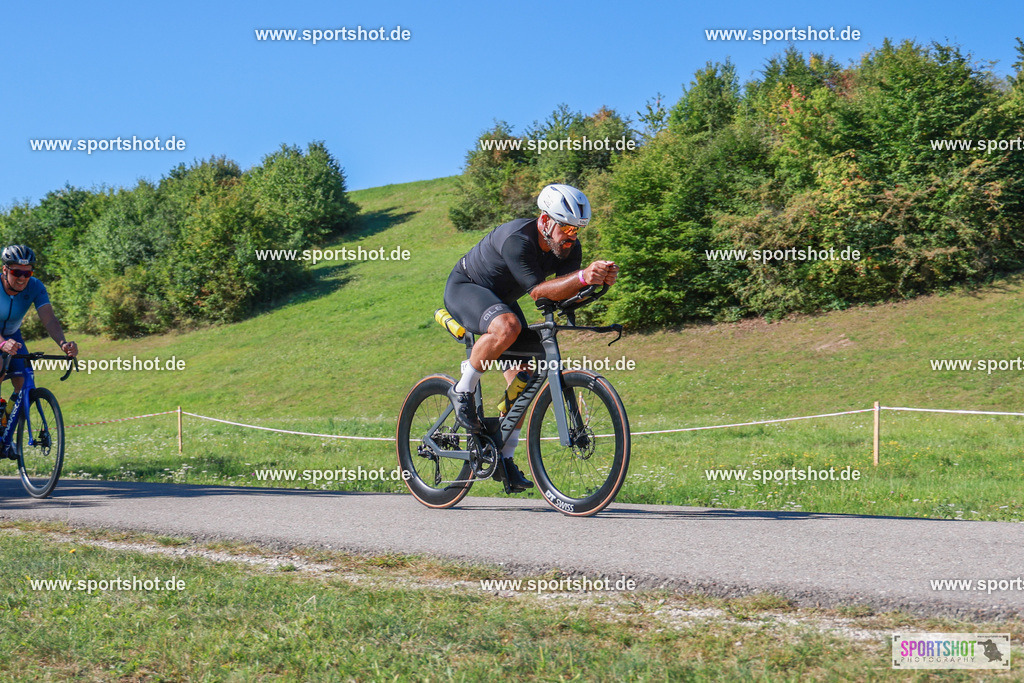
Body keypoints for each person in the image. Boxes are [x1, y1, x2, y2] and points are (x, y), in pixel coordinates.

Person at [442, 184, 618, 492]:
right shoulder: (518, 241)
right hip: (466, 288)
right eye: (565, 227)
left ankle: (504, 458)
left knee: (527, 375)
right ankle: (462, 389)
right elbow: (538, 291)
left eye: (576, 231)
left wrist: (596, 285)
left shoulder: (567, 249)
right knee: (507, 327)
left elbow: (561, 296)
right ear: (545, 221)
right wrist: (581, 277)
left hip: (501, 301)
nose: (570, 236)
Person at [0, 245, 79, 458]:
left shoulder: (35, 287)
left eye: (28, 273)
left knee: (23, 382)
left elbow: (49, 319)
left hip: (12, 335)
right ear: (5, 270)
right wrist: (1, 344)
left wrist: (63, 343)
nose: (23, 278)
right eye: (17, 272)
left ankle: (5, 426)